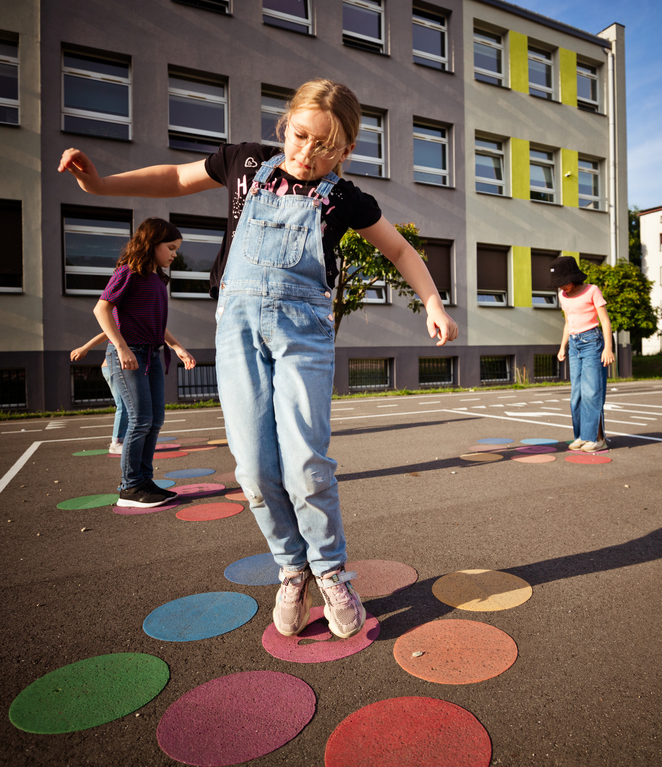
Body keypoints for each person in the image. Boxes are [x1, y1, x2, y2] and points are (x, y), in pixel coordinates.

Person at [58, 78, 458, 640]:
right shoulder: (244, 162)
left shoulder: (343, 197)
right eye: (300, 137)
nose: (308, 154)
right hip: (239, 328)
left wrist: (433, 302)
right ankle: (291, 567)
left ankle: (331, 570)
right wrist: (99, 185)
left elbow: (398, 248)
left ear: (346, 150)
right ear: (285, 125)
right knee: (252, 467)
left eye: (327, 147)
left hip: (305, 335)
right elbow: (173, 178)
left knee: (305, 464)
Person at [91, 218, 197, 508]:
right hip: (130, 354)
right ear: (152, 244)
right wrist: (121, 347)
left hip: (151, 353)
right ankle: (130, 487)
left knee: (154, 420)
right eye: (171, 247)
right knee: (139, 420)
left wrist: (177, 347)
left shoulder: (157, 278)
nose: (175, 254)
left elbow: (155, 323)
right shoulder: (129, 272)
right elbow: (101, 309)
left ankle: (144, 481)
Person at [553, 256, 614, 452]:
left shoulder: (592, 290)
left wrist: (608, 348)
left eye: (563, 282)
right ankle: (581, 436)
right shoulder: (563, 295)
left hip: (592, 343)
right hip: (574, 344)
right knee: (576, 394)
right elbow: (568, 323)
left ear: (574, 277)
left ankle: (597, 438)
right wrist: (563, 347)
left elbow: (605, 320)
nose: (561, 287)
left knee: (591, 391)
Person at [70, 332, 126, 455]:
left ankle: (126, 440)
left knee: (130, 404)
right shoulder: (124, 319)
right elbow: (106, 333)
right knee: (123, 404)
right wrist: (85, 348)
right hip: (112, 367)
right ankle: (116, 443)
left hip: (122, 367)